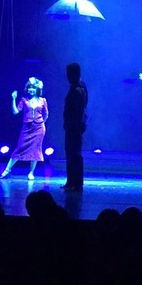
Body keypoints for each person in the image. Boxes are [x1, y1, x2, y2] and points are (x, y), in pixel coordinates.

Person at [0, 77, 48, 180]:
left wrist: (41, 123)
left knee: (36, 150)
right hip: (27, 128)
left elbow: (46, 114)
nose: (31, 90)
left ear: (37, 89)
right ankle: (7, 170)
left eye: (33, 88)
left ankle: (31, 173)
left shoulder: (43, 100)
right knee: (20, 148)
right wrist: (13, 98)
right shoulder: (24, 100)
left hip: (39, 129)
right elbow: (15, 111)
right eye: (29, 88)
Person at [62, 63, 88, 192]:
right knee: (71, 153)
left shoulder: (78, 89)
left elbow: (79, 111)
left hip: (74, 127)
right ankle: (71, 181)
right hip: (72, 126)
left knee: (74, 154)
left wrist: (76, 126)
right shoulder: (76, 87)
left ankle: (76, 182)